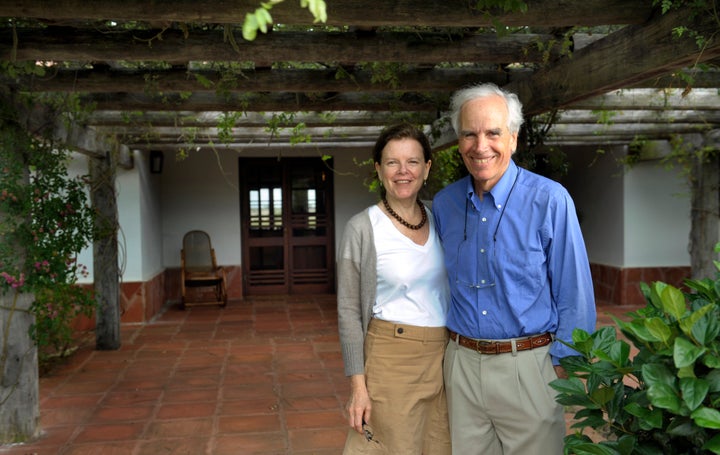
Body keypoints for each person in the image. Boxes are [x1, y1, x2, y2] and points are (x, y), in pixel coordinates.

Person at [431, 83, 596, 455]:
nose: (480, 145)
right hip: (461, 366)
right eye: (469, 134)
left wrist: (563, 366)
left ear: (514, 138)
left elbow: (574, 290)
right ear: (459, 142)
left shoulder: (550, 200)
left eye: (493, 132)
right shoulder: (445, 205)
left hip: (530, 367)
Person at [337, 123, 452, 454]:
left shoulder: (442, 219)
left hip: (443, 359)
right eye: (392, 162)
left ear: (427, 168)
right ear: (378, 169)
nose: (403, 171)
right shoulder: (362, 228)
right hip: (391, 358)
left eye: (413, 161)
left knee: (440, 446)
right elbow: (348, 311)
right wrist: (358, 386)